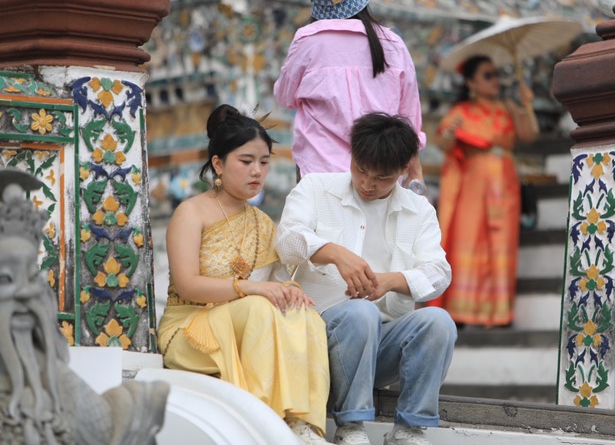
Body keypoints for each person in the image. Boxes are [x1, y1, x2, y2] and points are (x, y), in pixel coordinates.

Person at [276, 113, 456, 445]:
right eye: (361, 170)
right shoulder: (316, 187)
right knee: (360, 313)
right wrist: (333, 252)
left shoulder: (419, 210)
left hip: (379, 347)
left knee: (438, 322)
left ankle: (409, 430)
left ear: (403, 170)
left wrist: (391, 281)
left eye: (382, 177)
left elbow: (439, 272)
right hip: (317, 338)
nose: (368, 184)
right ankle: (351, 427)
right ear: (352, 155)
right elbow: (286, 240)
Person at [157, 104, 332, 445]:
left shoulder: (263, 222)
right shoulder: (191, 212)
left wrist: (288, 289)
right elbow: (188, 285)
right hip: (190, 328)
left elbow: (273, 281)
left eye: (264, 162)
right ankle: (264, 416)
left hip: (245, 322)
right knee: (259, 307)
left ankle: (302, 423)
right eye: (246, 161)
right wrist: (252, 288)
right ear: (218, 164)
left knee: (304, 314)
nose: (257, 171)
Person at [274, 0, 425, 187]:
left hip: (319, 174)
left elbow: (285, 97)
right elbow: (410, 119)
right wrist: (415, 170)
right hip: (380, 174)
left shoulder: (307, 41)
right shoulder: (393, 44)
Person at [428, 54, 539, 328]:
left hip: (505, 186)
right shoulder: (461, 111)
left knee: (501, 243)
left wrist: (527, 105)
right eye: (488, 75)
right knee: (468, 240)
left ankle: (498, 314)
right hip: (473, 187)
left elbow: (530, 135)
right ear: (471, 82)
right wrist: (450, 133)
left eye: (496, 74)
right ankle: (462, 311)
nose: (495, 80)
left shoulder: (508, 107)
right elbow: (442, 143)